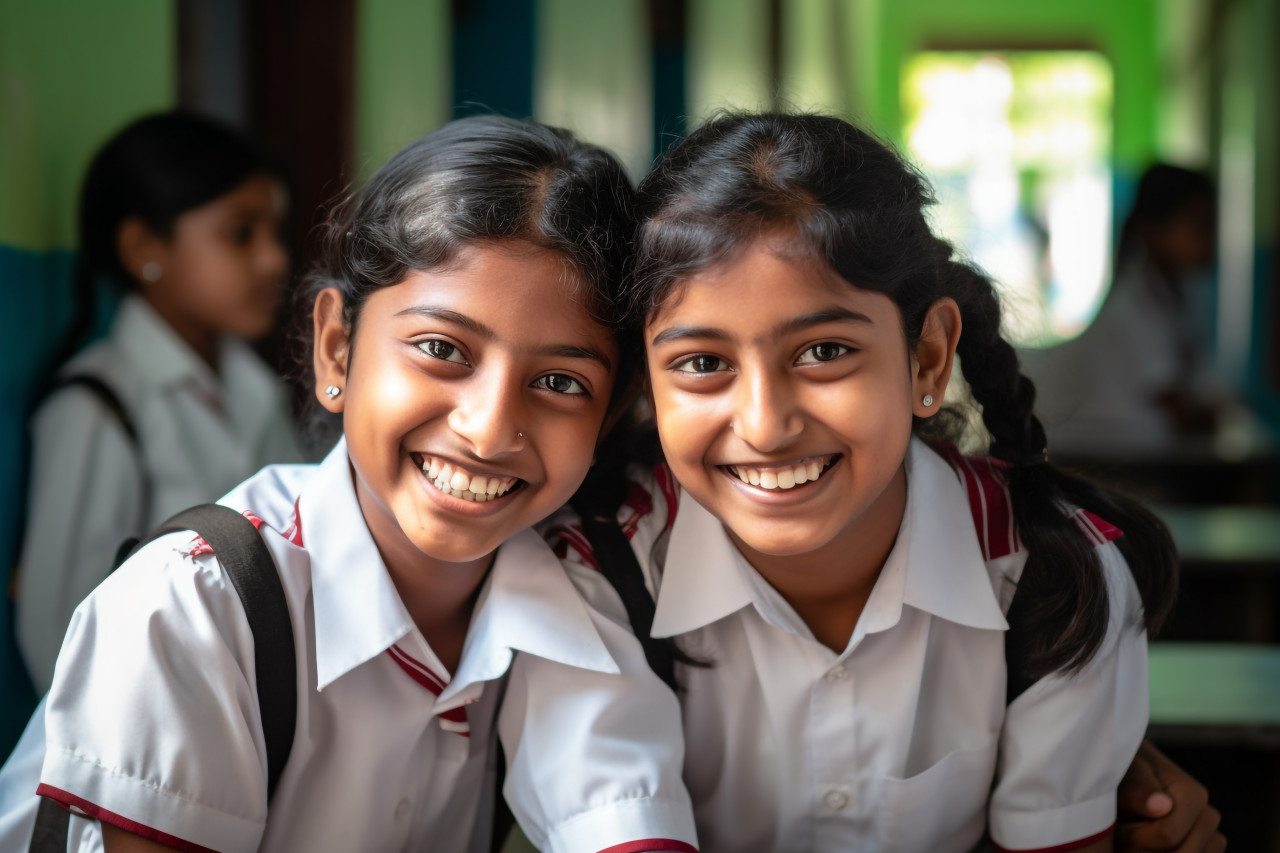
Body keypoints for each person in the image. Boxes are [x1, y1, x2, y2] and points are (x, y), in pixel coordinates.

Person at [2, 116, 696, 852]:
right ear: (337, 349)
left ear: (610, 411)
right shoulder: (190, 611)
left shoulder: (573, 597)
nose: (490, 429)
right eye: (441, 348)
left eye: (560, 381)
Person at [547, 112, 1219, 852]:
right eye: (703, 364)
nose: (766, 424)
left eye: (825, 350)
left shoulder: (1058, 579)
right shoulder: (601, 569)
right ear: (649, 384)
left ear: (927, 359)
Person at [15, 112, 303, 693]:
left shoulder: (255, 393)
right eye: (241, 233)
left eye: (276, 233)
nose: (275, 259)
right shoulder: (98, 409)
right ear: (145, 247)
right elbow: (57, 637)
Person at [1026, 163, 1223, 457]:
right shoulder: (1133, 306)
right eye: (1198, 226)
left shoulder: (1172, 299)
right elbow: (1179, 411)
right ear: (1153, 230)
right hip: (1089, 450)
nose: (1210, 241)